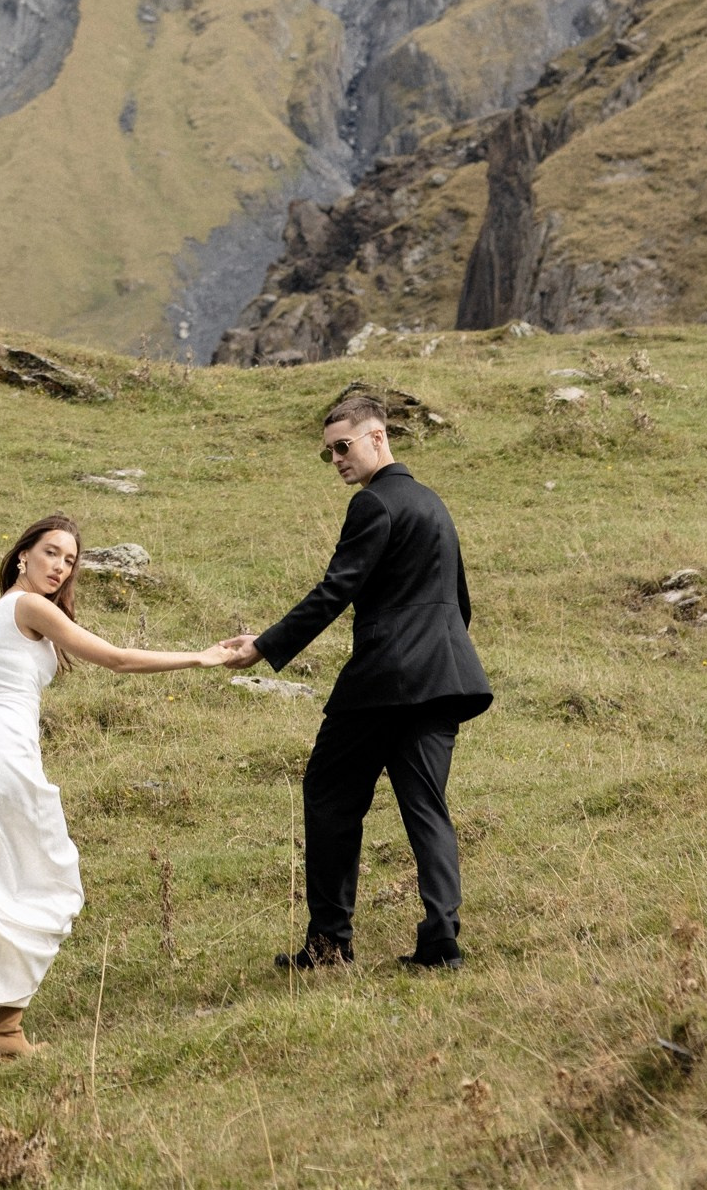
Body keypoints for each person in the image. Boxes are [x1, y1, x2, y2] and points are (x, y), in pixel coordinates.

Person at [0, 511, 245, 1089]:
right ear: (22, 555)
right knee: (31, 887)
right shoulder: (29, 608)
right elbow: (114, 658)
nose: (60, 566)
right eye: (50, 553)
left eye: (69, 560)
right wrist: (202, 657)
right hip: (4, 761)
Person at [227, 387, 492, 973]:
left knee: (329, 795)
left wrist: (263, 646)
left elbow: (335, 589)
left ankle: (329, 945)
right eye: (329, 453)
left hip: (383, 681)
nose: (338, 460)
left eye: (343, 447)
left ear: (378, 437)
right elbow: (459, 602)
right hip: (444, 678)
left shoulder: (374, 505)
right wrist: (437, 662)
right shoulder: (433, 503)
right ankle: (441, 943)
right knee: (427, 807)